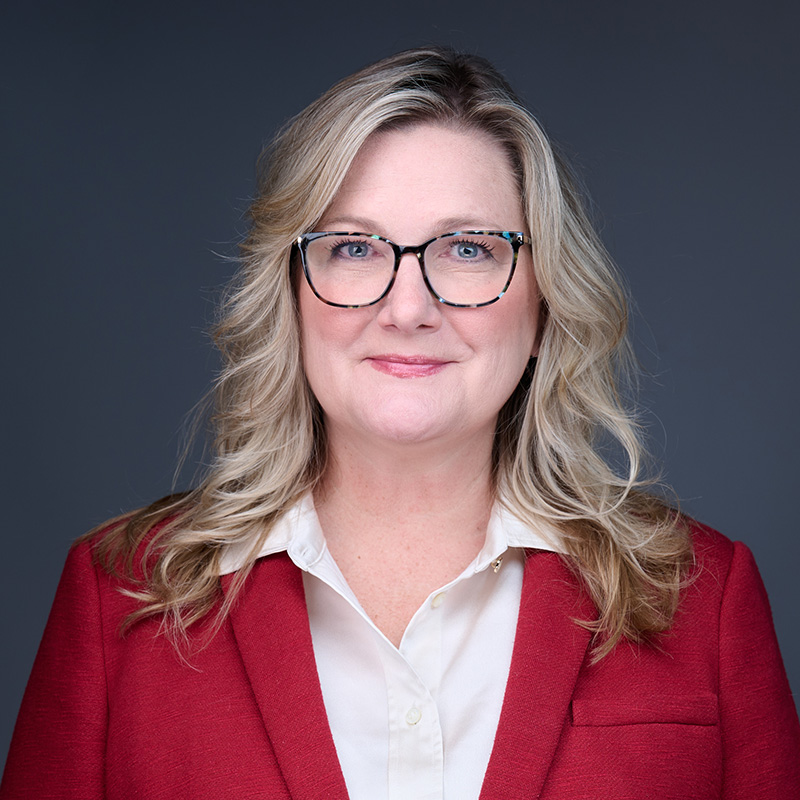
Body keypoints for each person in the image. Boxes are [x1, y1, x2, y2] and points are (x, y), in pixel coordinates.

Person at [2, 46, 798, 799]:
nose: (408, 308)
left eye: (469, 249)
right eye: (353, 249)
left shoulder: (703, 598)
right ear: (290, 291)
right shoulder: (118, 598)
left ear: (546, 295)